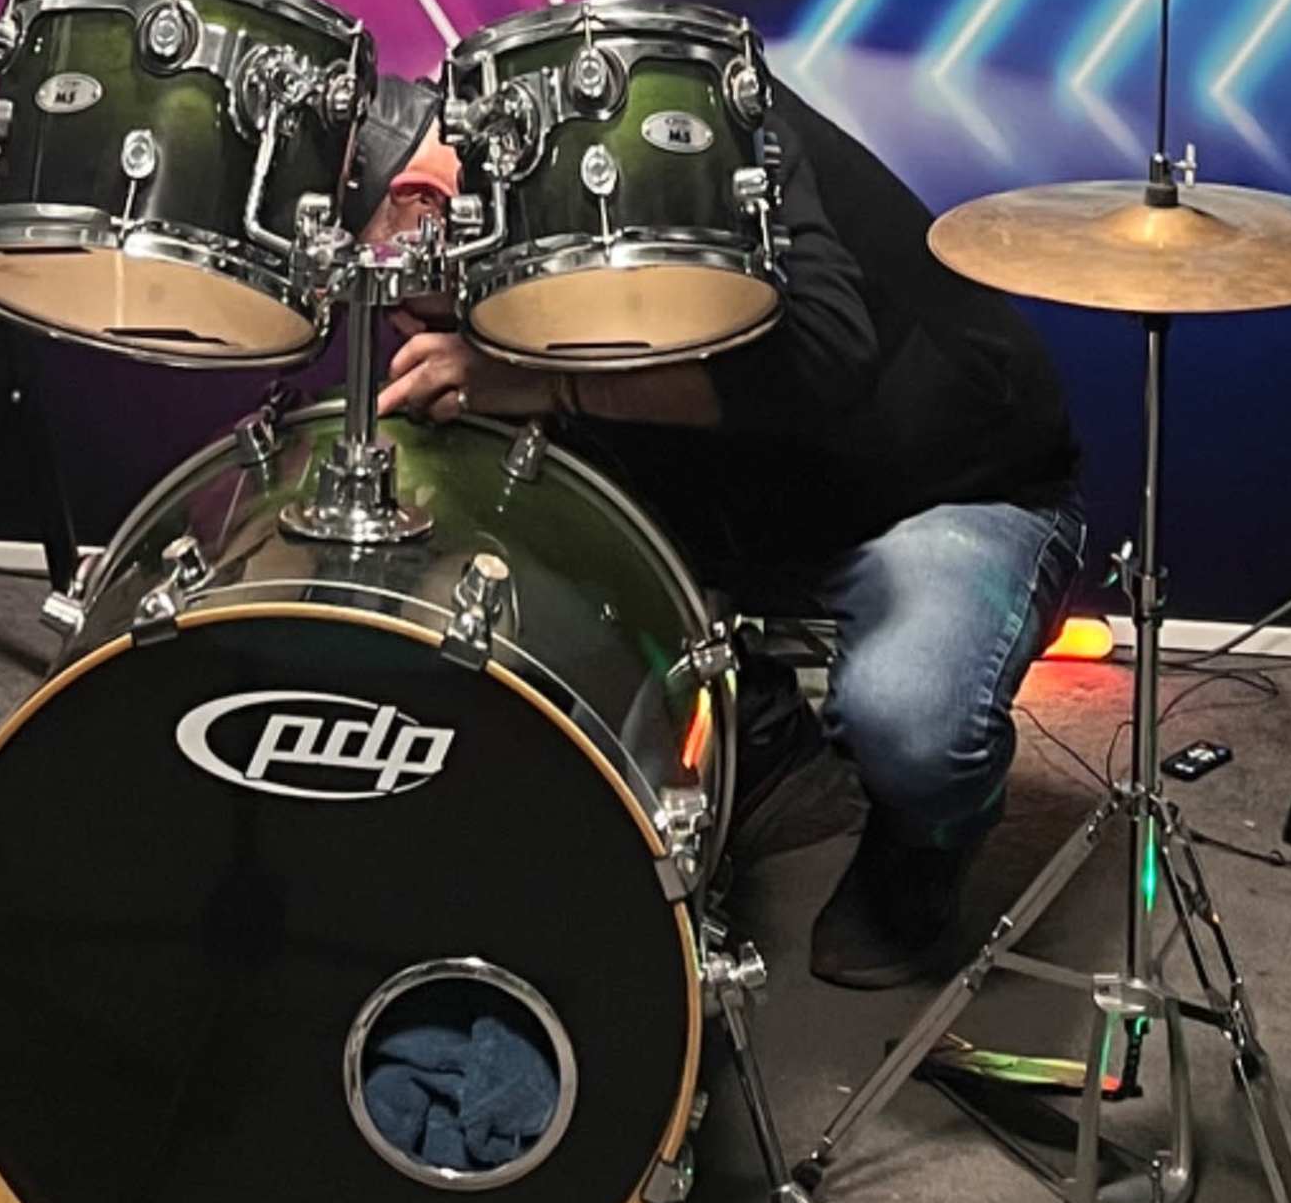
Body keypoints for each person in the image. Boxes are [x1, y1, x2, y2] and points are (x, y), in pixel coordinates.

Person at [355, 64, 1086, 991]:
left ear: (424, 201)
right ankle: (772, 744)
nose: (402, 314)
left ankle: (928, 840)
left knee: (912, 721)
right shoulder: (481, 207)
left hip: (939, 481)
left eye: (396, 286)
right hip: (746, 491)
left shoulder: (684, 110)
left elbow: (824, 355)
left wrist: (543, 382)